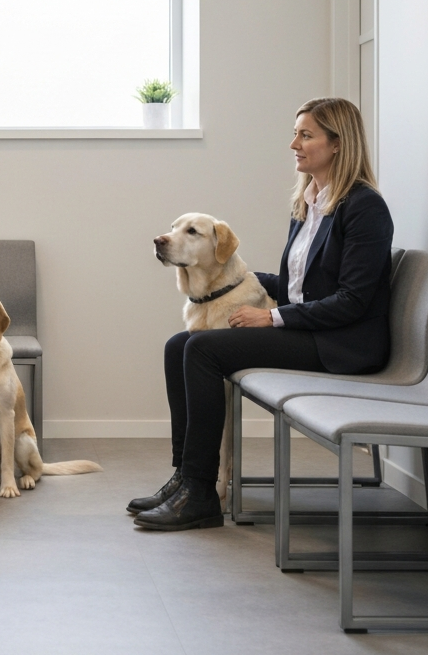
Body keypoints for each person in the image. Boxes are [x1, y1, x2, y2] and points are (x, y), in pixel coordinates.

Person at [130, 97, 393, 531]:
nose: (294, 144)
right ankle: (183, 476)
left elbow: (352, 301)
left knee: (202, 350)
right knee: (178, 344)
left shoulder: (364, 208)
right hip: (313, 332)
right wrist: (237, 278)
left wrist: (270, 318)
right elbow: (299, 286)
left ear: (338, 144)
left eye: (305, 135)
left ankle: (200, 491)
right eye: (296, 133)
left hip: (343, 346)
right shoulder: (308, 204)